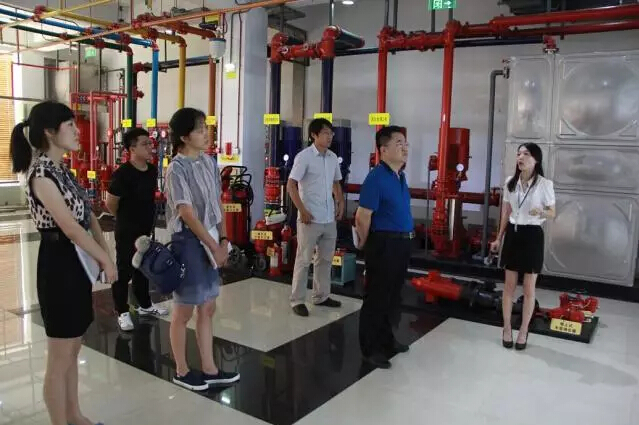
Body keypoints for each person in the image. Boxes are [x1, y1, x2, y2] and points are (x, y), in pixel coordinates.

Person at [10, 101, 117, 425]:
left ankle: (74, 416)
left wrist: (105, 253)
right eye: (69, 125)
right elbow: (70, 228)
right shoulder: (41, 174)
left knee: (73, 348)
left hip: (76, 262)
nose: (77, 131)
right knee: (60, 356)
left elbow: (88, 216)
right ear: (49, 132)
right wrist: (105, 260)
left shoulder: (62, 170)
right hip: (58, 265)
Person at [165, 107, 239, 391]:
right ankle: (182, 370)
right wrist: (213, 245)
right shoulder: (177, 169)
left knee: (208, 307)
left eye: (206, 128)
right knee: (184, 310)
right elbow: (186, 213)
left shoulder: (208, 162)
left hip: (211, 238)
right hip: (189, 242)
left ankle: (210, 368)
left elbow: (217, 203)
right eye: (199, 130)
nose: (206, 134)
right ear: (184, 137)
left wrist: (224, 240)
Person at [354, 125, 412, 369]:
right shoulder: (376, 178)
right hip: (383, 244)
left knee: (392, 296)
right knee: (377, 297)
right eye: (399, 143)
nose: (405, 148)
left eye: (405, 143)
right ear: (383, 149)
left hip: (401, 243)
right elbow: (362, 216)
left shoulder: (399, 176)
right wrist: (366, 243)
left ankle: (387, 340)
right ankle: (370, 348)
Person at [490, 142, 555, 350]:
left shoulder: (545, 184)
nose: (521, 157)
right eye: (519, 154)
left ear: (536, 159)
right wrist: (498, 238)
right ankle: (507, 328)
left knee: (528, 288)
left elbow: (552, 212)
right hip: (513, 234)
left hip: (533, 235)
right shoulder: (510, 182)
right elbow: (506, 212)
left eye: (526, 154)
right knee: (508, 286)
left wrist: (541, 212)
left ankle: (524, 330)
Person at [106, 128, 168, 331]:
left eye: (150, 143)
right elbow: (110, 203)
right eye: (145, 144)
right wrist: (124, 219)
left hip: (145, 229)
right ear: (132, 149)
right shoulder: (122, 174)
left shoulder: (151, 170)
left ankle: (144, 305)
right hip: (127, 230)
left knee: (143, 268)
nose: (150, 147)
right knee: (124, 270)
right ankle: (122, 311)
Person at [287, 118, 345, 317]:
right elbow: (291, 185)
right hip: (309, 218)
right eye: (326, 133)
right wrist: (302, 210)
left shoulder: (332, 158)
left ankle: (321, 296)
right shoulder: (304, 157)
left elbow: (336, 183)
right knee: (303, 260)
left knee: (325, 260)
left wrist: (340, 201)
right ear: (314, 135)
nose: (330, 137)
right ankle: (297, 300)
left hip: (328, 218)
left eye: (331, 133)